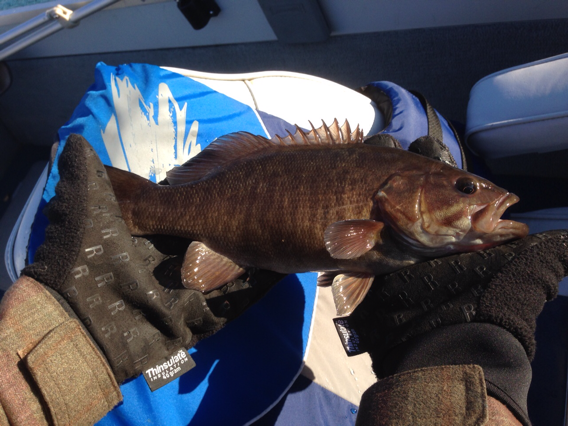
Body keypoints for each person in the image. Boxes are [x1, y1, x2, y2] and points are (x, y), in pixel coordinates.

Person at [0, 133, 565, 426]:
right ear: (397, 194)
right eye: (465, 188)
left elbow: (346, 255)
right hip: (221, 233)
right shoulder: (374, 228)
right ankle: (144, 208)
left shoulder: (395, 232)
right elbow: (344, 243)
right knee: (151, 214)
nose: (482, 199)